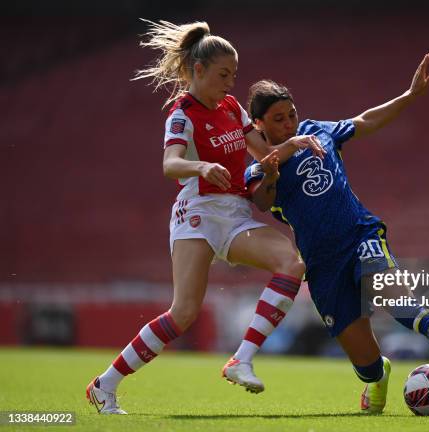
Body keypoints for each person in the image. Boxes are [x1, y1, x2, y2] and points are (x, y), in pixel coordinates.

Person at [230, 54, 429, 414]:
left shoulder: (318, 132)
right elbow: (262, 203)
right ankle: (378, 377)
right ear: (259, 126)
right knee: (367, 362)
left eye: (291, 114)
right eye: (278, 120)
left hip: (360, 236)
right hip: (323, 265)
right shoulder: (258, 168)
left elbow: (364, 121)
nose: (289, 124)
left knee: (403, 306)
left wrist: (409, 95)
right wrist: (271, 172)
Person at [85, 19, 325, 414]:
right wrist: (200, 168)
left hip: (234, 212)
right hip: (196, 212)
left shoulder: (231, 107)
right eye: (223, 74)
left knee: (290, 262)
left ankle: (241, 359)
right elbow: (170, 164)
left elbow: (261, 153)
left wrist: (292, 144)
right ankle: (104, 385)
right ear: (198, 71)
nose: (231, 83)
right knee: (183, 313)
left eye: (234, 74)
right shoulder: (182, 114)